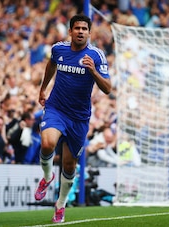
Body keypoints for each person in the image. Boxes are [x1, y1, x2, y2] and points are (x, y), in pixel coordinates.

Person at [34, 14, 111, 223]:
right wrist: (43, 90)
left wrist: (93, 71)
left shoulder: (96, 56)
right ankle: (47, 177)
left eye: (84, 29)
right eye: (77, 28)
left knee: (69, 166)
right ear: (70, 31)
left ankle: (61, 204)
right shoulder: (59, 49)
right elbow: (51, 65)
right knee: (48, 143)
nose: (80, 32)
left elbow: (107, 89)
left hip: (79, 118)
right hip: (56, 108)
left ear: (89, 32)